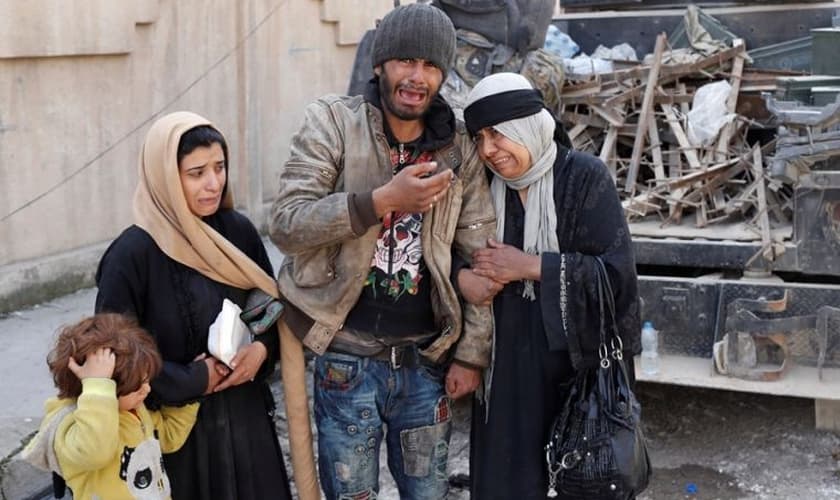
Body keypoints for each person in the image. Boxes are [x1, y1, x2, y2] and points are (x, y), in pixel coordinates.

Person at [268, 3, 496, 499]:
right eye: (406, 61)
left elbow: (483, 253)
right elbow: (286, 224)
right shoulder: (333, 123)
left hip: (425, 361)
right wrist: (381, 201)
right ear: (379, 64)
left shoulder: (457, 148)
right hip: (345, 359)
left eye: (431, 65)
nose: (418, 77)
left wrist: (472, 354)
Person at [459, 72, 641, 500]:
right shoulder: (482, 187)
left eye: (497, 134)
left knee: (580, 478)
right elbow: (447, 253)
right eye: (479, 137)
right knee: (507, 480)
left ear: (527, 125)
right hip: (504, 369)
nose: (488, 150)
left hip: (576, 372)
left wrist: (531, 266)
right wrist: (461, 278)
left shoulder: (583, 177)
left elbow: (615, 276)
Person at [94, 112, 293, 499]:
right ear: (165, 177)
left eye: (219, 167)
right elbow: (114, 355)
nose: (213, 183)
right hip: (172, 437)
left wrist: (261, 350)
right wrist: (193, 380)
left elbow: (268, 307)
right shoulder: (131, 255)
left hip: (245, 424)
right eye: (196, 172)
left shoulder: (237, 231)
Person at [23, 313, 199, 499]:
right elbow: (96, 452)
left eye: (147, 380)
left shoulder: (133, 411)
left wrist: (194, 387)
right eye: (136, 386)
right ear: (96, 386)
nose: (146, 389)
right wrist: (97, 384)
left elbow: (167, 437)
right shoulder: (71, 426)